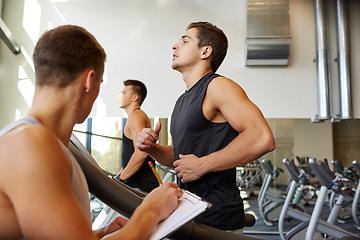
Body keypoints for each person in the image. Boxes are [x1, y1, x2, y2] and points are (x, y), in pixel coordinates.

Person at [0, 25, 182, 240]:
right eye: (100, 83)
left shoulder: (35, 141)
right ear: (89, 80)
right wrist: (150, 210)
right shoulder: (32, 145)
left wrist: (99, 234)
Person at [136, 21, 276, 231]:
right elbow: (178, 156)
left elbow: (262, 138)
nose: (175, 46)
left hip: (216, 215)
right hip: (188, 211)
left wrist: (202, 165)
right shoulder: (182, 100)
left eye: (184, 41)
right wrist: (151, 148)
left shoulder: (217, 86)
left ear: (205, 52)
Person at [115, 79, 159, 192]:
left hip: (140, 186)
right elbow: (131, 153)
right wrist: (119, 174)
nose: (119, 96)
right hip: (137, 185)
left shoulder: (136, 116)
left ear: (134, 97)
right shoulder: (135, 115)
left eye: (124, 93)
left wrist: (120, 179)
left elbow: (141, 152)